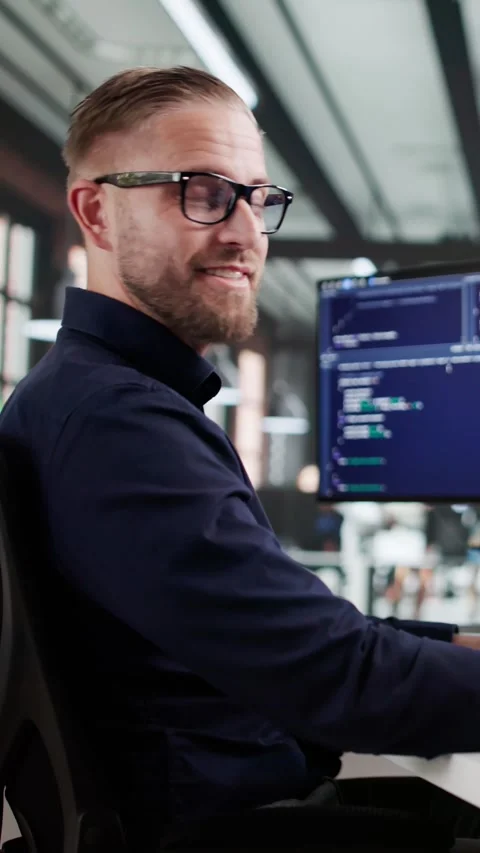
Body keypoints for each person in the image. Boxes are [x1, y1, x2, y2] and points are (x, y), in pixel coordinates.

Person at [2, 66, 480, 852]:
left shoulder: (109, 401)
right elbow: (339, 676)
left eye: (257, 197)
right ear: (95, 211)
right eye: (202, 191)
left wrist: (455, 640)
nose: (245, 231)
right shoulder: (115, 420)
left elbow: (302, 633)